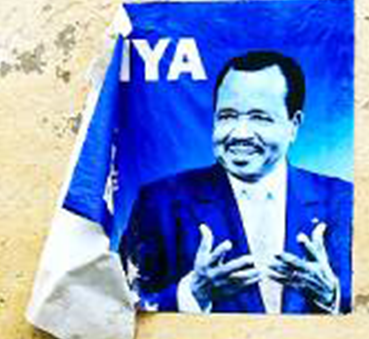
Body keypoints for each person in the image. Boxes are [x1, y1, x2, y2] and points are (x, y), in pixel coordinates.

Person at [118, 50, 351, 314]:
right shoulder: (160, 203)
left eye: (259, 117)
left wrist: (331, 294)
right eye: (227, 116)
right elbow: (119, 303)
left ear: (293, 125)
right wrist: (192, 295)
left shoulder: (343, 201)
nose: (240, 133)